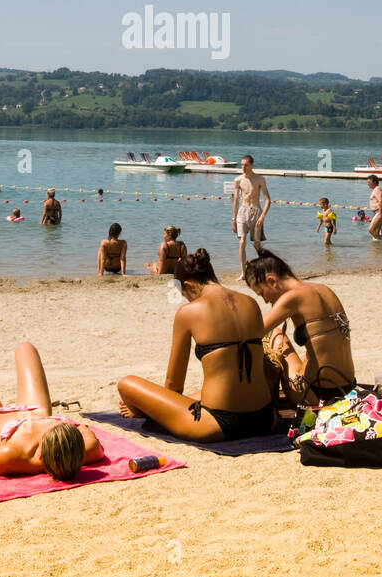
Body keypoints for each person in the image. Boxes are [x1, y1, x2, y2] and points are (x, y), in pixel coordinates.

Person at [117, 248, 275, 441]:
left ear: (188, 285)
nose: (187, 300)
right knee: (200, 392)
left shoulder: (189, 312)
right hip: (266, 418)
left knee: (127, 384)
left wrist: (151, 409)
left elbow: (174, 386)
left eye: (185, 294)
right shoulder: (251, 303)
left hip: (219, 422)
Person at [0, 340, 102, 479]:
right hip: (34, 411)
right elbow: (83, 429)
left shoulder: (14, 455)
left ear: (40, 454)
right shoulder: (87, 449)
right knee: (26, 348)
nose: (49, 425)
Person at [245, 252, 356, 408]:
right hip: (348, 386)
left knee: (275, 336)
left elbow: (251, 333)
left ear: (271, 281)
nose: (265, 300)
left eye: (262, 293)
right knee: (283, 338)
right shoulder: (323, 289)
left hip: (319, 394)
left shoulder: (292, 297)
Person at [232, 155, 271, 279]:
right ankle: (243, 272)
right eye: (241, 164)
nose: (243, 167)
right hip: (242, 212)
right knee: (242, 242)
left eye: (245, 165)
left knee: (257, 244)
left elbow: (268, 200)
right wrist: (233, 219)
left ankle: (263, 268)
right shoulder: (238, 180)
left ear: (251, 165)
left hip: (256, 212)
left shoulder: (260, 179)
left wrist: (262, 216)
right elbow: (236, 201)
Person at [366, 175, 382, 239]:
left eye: (369, 182)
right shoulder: (375, 189)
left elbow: (381, 200)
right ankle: (379, 247)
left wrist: (380, 213)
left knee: (371, 230)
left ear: (374, 182)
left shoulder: (377, 189)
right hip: (377, 212)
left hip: (379, 211)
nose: (368, 184)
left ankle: (380, 241)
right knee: (376, 232)